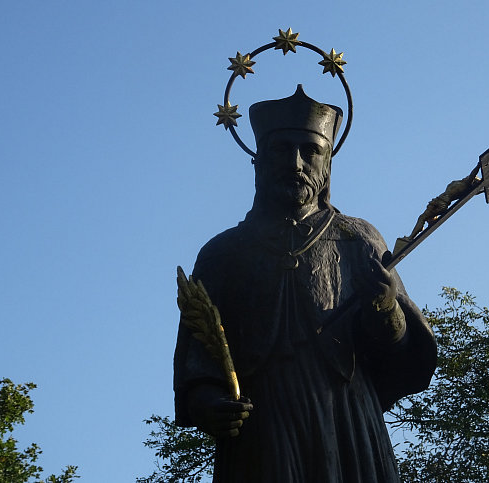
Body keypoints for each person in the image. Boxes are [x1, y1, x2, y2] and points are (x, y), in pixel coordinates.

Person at [174, 85, 437, 482]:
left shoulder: (358, 238)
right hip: (262, 426)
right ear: (258, 162)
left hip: (347, 420)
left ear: (327, 164)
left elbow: (403, 351)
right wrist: (207, 402)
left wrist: (385, 308)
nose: (295, 163)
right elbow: (198, 357)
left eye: (310, 151)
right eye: (281, 149)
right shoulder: (222, 254)